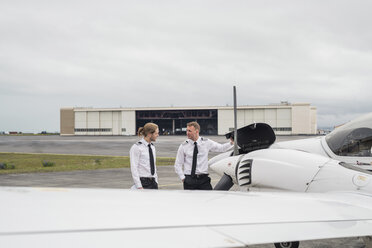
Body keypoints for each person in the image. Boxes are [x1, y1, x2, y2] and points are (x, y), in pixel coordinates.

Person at [174, 121, 233, 190]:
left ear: (196, 131)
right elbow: (178, 164)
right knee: (190, 200)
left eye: (189, 131)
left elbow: (221, 148)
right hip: (189, 180)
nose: (187, 133)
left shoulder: (206, 142)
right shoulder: (184, 146)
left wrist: (231, 143)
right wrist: (183, 178)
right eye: (187, 130)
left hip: (203, 180)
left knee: (209, 198)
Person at [130, 123, 159, 189]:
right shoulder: (137, 147)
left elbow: (153, 166)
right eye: (156, 133)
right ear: (149, 134)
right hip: (143, 182)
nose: (158, 135)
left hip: (153, 182)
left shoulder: (152, 147)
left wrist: (156, 181)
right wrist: (139, 186)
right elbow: (134, 168)